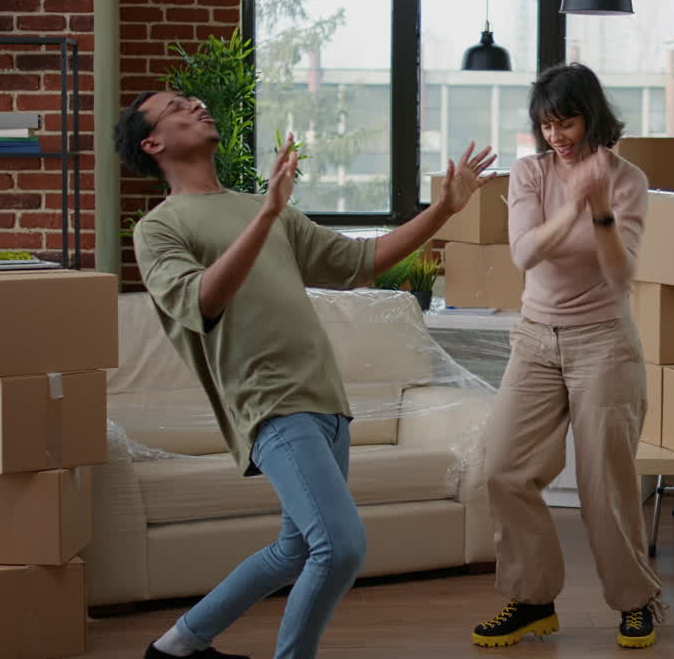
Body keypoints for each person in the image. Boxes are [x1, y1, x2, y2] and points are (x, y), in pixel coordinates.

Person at [113, 90, 496, 659]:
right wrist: (268, 213)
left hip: (327, 401)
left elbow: (359, 263)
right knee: (339, 548)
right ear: (153, 143)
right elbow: (202, 301)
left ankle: (176, 645)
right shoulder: (160, 229)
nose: (196, 105)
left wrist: (443, 211)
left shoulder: (259, 207)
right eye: (177, 106)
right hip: (271, 406)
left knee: (294, 549)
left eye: (193, 100)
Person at [470, 63, 663, 650]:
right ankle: (532, 601)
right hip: (534, 338)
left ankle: (636, 602)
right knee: (502, 468)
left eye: (568, 121)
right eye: (547, 125)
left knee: (604, 483)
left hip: (603, 340)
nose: (557, 135)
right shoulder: (529, 174)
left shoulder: (628, 180)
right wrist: (573, 204)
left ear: (593, 117)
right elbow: (526, 252)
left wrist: (598, 207)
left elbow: (620, 271)